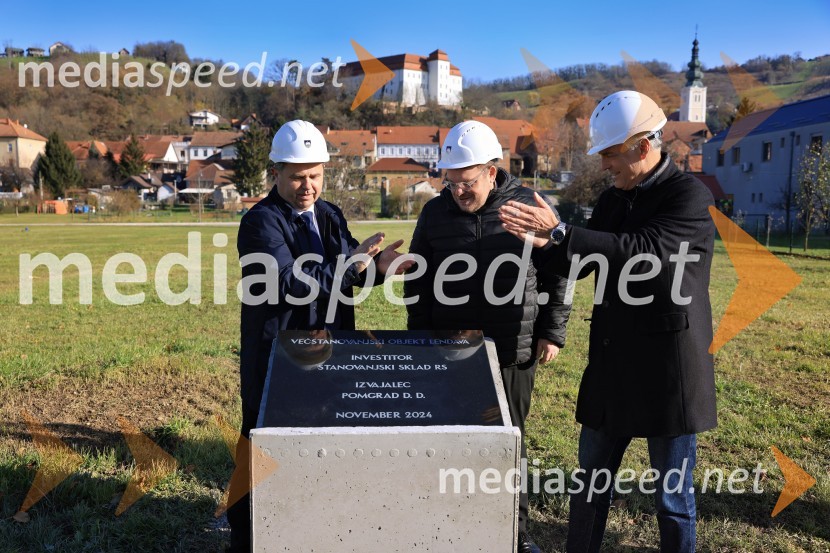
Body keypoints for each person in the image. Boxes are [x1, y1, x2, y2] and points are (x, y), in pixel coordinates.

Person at [498, 91, 717, 553]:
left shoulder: (689, 196)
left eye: (611, 155)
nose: (603, 166)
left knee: (672, 497)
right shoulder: (614, 199)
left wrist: (561, 231)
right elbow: (577, 265)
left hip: (668, 371)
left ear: (642, 146)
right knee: (590, 487)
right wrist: (545, 246)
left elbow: (646, 254)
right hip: (614, 366)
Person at [230, 120, 411, 552]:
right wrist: (353, 264)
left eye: (314, 175)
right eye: (296, 176)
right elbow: (295, 282)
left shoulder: (329, 215)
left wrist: (378, 269)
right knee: (259, 452)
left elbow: (347, 282)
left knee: (320, 447)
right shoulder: (259, 223)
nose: (307, 186)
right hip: (277, 358)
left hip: (330, 354)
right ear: (275, 173)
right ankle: (244, 537)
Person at [404, 120, 572, 553]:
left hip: (512, 350)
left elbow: (561, 273)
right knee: (450, 441)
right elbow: (418, 284)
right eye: (452, 181)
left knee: (508, 445)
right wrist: (420, 343)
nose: (459, 191)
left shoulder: (530, 206)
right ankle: (451, 527)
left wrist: (551, 332)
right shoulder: (435, 213)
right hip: (451, 350)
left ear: (493, 171)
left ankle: (516, 534)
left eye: (469, 181)